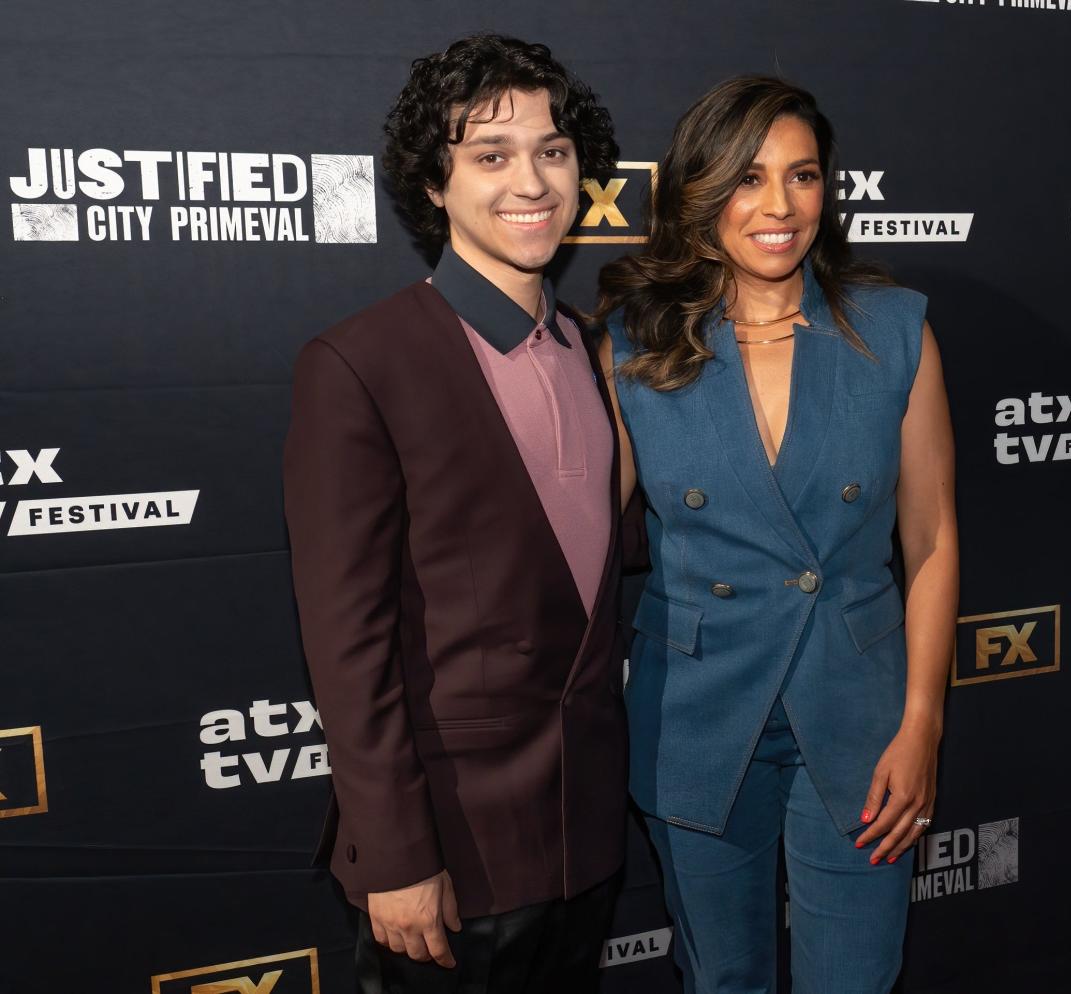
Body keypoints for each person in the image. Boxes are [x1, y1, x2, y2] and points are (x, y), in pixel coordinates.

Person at [595, 75, 958, 993]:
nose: (779, 206)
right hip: (697, 714)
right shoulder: (634, 346)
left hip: (861, 717)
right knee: (724, 980)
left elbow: (932, 538)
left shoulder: (894, 330)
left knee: (857, 979)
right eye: (748, 178)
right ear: (699, 192)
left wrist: (922, 724)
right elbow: (582, 540)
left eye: (802, 176)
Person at [282, 34, 628, 993]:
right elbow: (347, 644)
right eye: (490, 155)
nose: (532, 180)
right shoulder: (359, 364)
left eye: (552, 151)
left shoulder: (594, 351)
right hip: (450, 852)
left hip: (588, 838)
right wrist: (394, 858)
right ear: (433, 187)